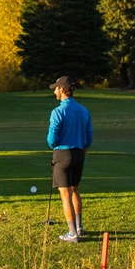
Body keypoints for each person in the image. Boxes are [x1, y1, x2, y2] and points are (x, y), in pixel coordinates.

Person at [47, 75, 92, 242]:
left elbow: (51, 140)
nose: (55, 92)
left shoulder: (58, 111)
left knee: (65, 194)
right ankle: (79, 228)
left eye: (56, 89)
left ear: (62, 90)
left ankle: (72, 234)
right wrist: (83, 150)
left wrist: (55, 145)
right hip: (80, 154)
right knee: (75, 190)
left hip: (63, 154)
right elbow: (89, 135)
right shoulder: (83, 110)